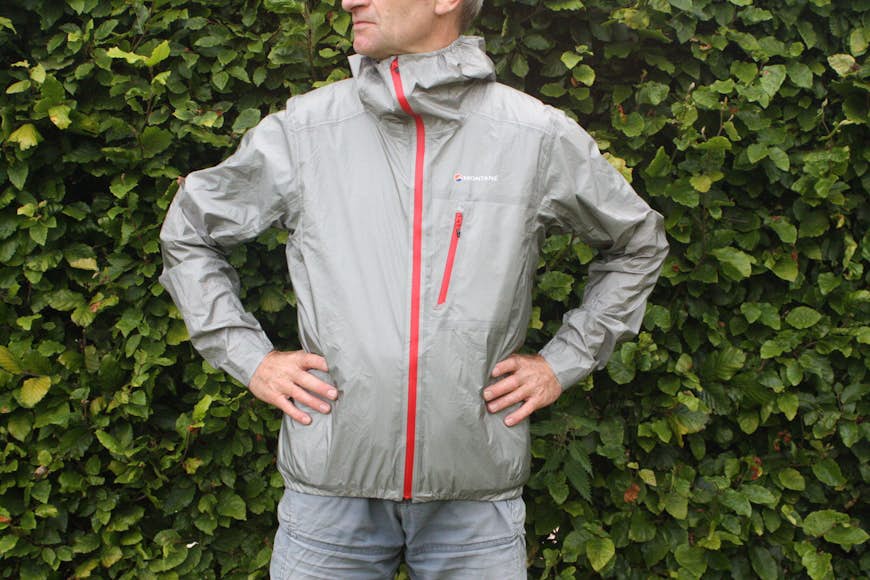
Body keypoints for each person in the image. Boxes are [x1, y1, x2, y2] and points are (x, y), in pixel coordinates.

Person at [159, 0, 669, 577]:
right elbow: (191, 231)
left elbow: (636, 244)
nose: (349, 1)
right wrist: (250, 358)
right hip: (329, 500)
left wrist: (563, 361)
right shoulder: (306, 132)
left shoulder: (532, 136)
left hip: (475, 505)